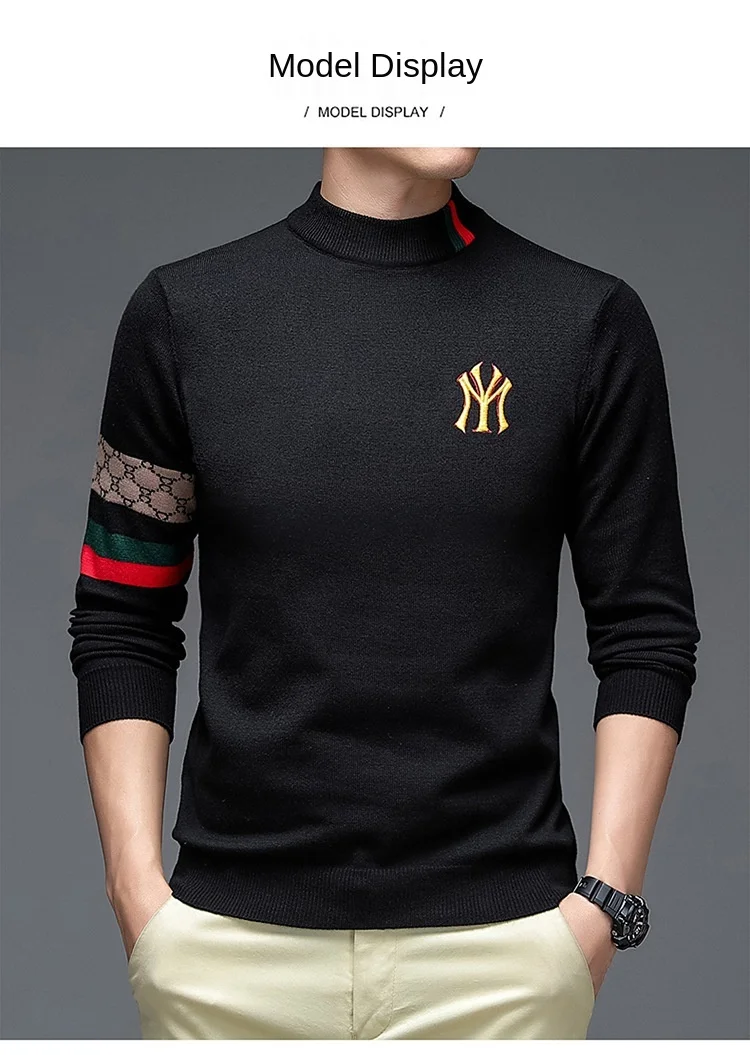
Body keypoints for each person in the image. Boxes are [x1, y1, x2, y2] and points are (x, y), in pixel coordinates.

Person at [67, 147, 700, 1041]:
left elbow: (647, 629)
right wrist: (135, 890)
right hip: (227, 958)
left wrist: (606, 898)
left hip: (502, 963)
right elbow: (123, 609)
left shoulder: (586, 321)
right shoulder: (182, 316)